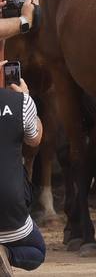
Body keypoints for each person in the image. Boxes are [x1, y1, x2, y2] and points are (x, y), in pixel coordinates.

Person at [0, 62, 44, 272]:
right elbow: (34, 140)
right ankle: (5, 253)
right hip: (10, 206)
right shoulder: (21, 102)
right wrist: (26, 97)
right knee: (37, 251)